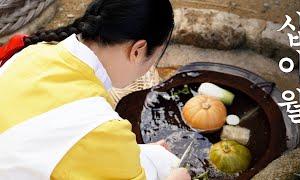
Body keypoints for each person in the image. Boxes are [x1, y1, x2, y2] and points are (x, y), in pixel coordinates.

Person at [0, 0, 191, 179]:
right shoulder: (101, 125)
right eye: (153, 60)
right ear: (137, 50)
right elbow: (85, 134)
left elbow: (44, 139)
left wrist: (138, 153)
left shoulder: (34, 51)